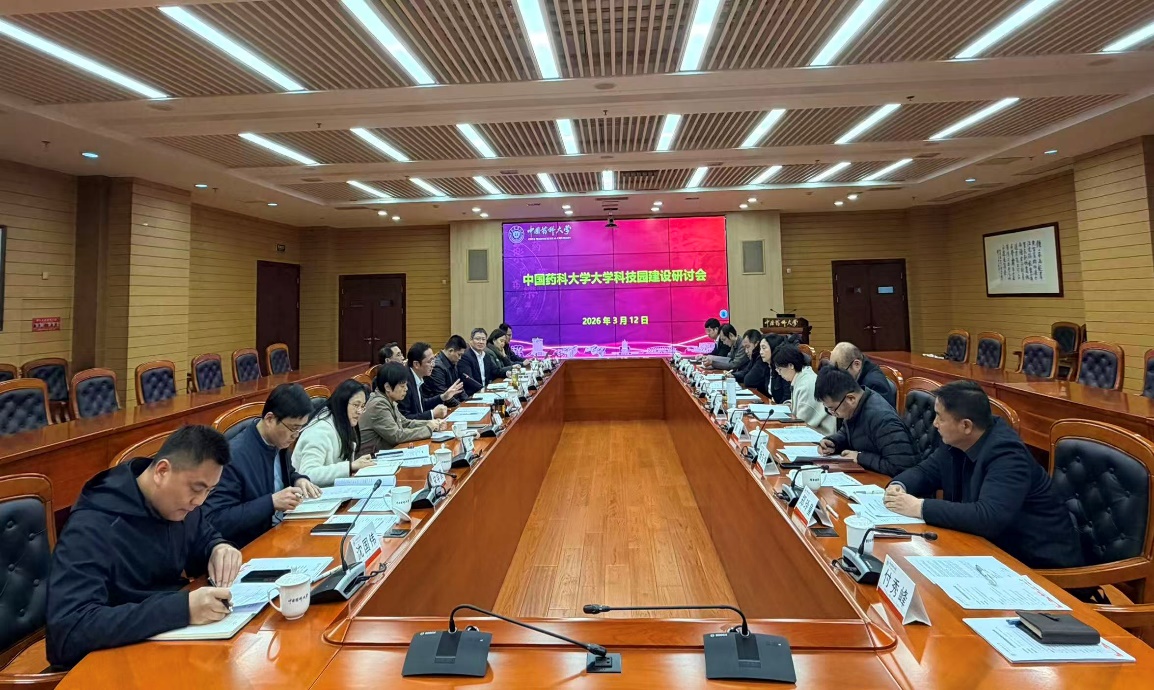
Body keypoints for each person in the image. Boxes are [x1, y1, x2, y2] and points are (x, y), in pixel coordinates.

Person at [47, 426, 242, 668]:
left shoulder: (179, 505)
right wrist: (182, 609)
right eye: (196, 489)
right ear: (162, 471)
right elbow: (68, 632)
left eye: (209, 491)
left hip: (170, 647)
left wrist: (219, 548)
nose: (200, 501)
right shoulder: (92, 525)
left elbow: (203, 538)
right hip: (114, 663)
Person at [884, 381, 1084, 569]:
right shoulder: (955, 441)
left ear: (966, 426)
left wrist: (918, 507)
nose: (935, 423)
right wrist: (899, 486)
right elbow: (925, 471)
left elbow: (988, 517)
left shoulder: (1007, 454)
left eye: (940, 417)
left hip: (1036, 564)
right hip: (987, 549)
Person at [202, 384, 322, 548]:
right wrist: (271, 503)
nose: (295, 436)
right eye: (293, 428)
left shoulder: (278, 441)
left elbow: (281, 474)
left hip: (281, 532)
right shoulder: (234, 457)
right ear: (270, 419)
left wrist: (298, 479)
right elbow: (215, 519)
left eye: (300, 429)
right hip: (248, 545)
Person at [815, 367, 917, 477]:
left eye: (833, 409)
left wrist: (860, 457)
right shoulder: (856, 406)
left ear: (851, 399)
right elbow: (848, 433)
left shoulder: (883, 420)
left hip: (890, 482)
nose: (832, 413)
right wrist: (833, 443)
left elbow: (901, 467)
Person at [292, 379, 376, 487]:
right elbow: (308, 474)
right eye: (356, 405)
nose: (359, 411)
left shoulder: (343, 423)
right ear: (342, 403)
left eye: (362, 406)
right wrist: (349, 467)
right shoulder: (319, 430)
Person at [360, 363, 444, 455]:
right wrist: (428, 429)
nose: (406, 389)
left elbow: (405, 423)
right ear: (387, 387)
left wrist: (431, 423)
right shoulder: (378, 405)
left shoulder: (388, 399)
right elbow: (396, 436)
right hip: (371, 458)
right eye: (402, 386)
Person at [773, 343, 835, 435]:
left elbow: (801, 422)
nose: (778, 373)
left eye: (779, 369)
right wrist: (787, 406)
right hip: (810, 431)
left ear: (791, 365)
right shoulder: (801, 376)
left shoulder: (806, 384)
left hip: (821, 435)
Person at [400, 342, 457, 420]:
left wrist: (443, 397)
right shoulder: (405, 383)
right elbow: (404, 418)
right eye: (429, 361)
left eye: (433, 360)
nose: (433, 365)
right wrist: (432, 414)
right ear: (416, 364)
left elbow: (421, 404)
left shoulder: (416, 377)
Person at [830, 342, 896, 408]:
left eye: (842, 373)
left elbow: (877, 413)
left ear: (857, 364)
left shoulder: (874, 385)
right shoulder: (859, 373)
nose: (838, 379)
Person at [424, 335, 471, 405]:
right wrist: (461, 406)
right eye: (459, 355)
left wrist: (468, 402)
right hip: (440, 406)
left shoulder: (452, 362)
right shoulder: (437, 367)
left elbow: (459, 387)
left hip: (453, 403)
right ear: (450, 351)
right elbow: (444, 395)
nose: (460, 358)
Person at [457, 327, 491, 394]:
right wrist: (483, 389)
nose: (481, 342)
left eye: (483, 339)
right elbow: (468, 380)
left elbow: (495, 371)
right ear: (471, 340)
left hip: (485, 392)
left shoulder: (486, 356)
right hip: (472, 394)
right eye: (477, 339)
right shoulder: (465, 356)